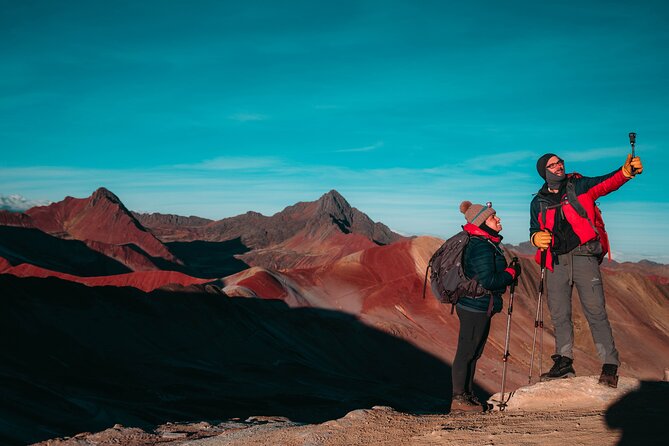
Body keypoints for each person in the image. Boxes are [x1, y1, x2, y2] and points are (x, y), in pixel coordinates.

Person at [529, 153, 643, 388]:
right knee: (559, 314)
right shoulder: (538, 201)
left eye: (559, 162)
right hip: (555, 261)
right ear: (544, 172)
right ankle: (564, 361)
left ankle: (609, 364)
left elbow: (606, 182)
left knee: (596, 312)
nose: (558, 166)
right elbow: (534, 228)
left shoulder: (578, 185)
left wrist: (625, 172)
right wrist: (535, 238)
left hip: (584, 256)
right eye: (552, 165)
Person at [451, 201, 521, 412]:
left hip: (478, 305)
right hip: (475, 306)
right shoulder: (481, 245)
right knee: (466, 351)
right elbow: (489, 281)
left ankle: (467, 394)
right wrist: (511, 273)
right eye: (493, 217)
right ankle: (458, 398)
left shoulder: (485, 242)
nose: (498, 219)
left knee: (473, 351)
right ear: (482, 223)